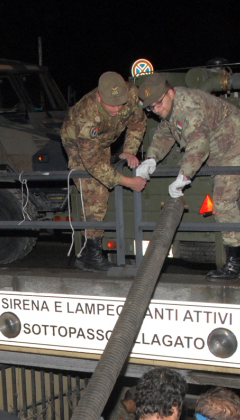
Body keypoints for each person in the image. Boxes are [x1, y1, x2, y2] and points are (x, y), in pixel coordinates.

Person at [135, 73, 240, 281]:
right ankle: (236, 263)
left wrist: (184, 176)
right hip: (218, 145)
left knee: (223, 200)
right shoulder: (171, 108)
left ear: (171, 93)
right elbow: (165, 133)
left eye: (158, 103)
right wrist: (151, 159)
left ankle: (236, 263)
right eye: (151, 108)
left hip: (235, 142)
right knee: (220, 197)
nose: (156, 110)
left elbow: (198, 144)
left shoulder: (188, 107)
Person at [61, 71, 148, 272]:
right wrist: (128, 182)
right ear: (99, 97)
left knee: (103, 181)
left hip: (106, 138)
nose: (118, 109)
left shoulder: (132, 95)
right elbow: (91, 163)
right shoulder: (86, 115)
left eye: (120, 104)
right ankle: (91, 253)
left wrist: (128, 150)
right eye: (112, 105)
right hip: (78, 143)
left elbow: (137, 122)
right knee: (95, 190)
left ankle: (86, 250)